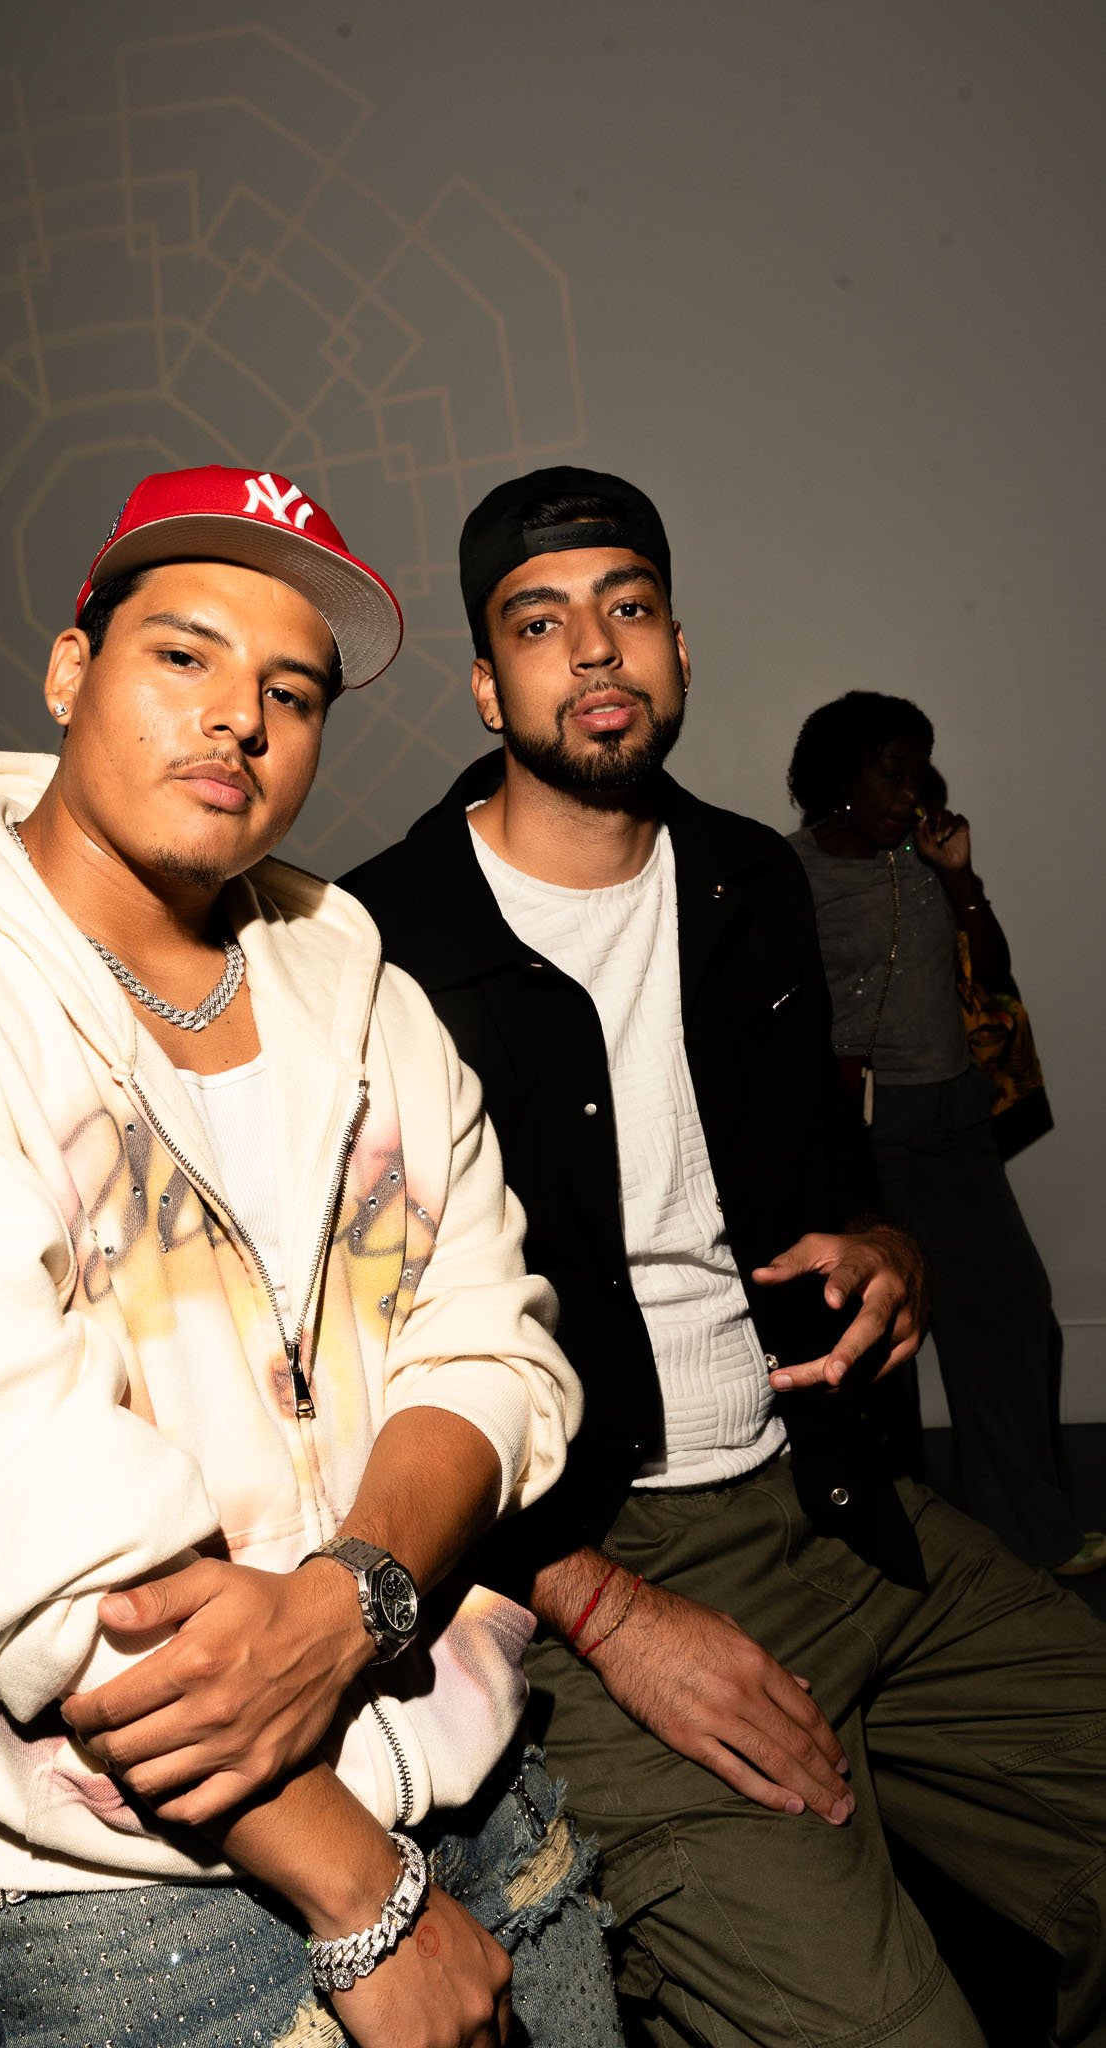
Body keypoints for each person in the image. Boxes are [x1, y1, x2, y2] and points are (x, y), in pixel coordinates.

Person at [0, 465, 625, 2048]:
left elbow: (486, 1344)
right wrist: (365, 1897)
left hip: (481, 1801)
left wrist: (351, 1600)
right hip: (107, 1904)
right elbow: (7, 1518)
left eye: (292, 691)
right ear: (69, 672)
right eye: (183, 655)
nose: (238, 719)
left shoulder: (368, 1004)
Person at [335, 467, 1106, 2048]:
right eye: (539, 623)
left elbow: (820, 1171)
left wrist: (890, 1241)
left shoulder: (752, 883)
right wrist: (603, 1610)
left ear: (678, 650)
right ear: (486, 686)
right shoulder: (374, 947)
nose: (593, 647)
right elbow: (340, 1367)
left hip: (835, 1496)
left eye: (627, 607)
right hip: (580, 1569)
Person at [785, 692, 1101, 1573]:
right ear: (838, 775)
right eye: (892, 772)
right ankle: (885, 1551)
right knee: (871, 1342)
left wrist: (959, 879)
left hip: (954, 1121)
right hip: (859, 1133)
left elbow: (991, 978)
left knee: (1009, 1315)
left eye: (918, 773)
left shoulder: (923, 859)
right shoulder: (788, 873)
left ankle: (1026, 1537)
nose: (909, 793)